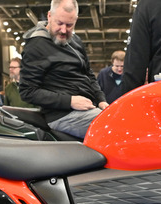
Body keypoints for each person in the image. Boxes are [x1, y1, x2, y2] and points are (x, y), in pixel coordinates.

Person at [19, 0, 107, 138]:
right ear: (49, 16)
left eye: (69, 25)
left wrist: (101, 99)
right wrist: (70, 101)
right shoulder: (36, 45)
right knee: (117, 128)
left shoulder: (75, 40)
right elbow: (27, 91)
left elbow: (88, 74)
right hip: (63, 115)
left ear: (76, 20)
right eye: (59, 23)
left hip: (88, 108)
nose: (64, 30)